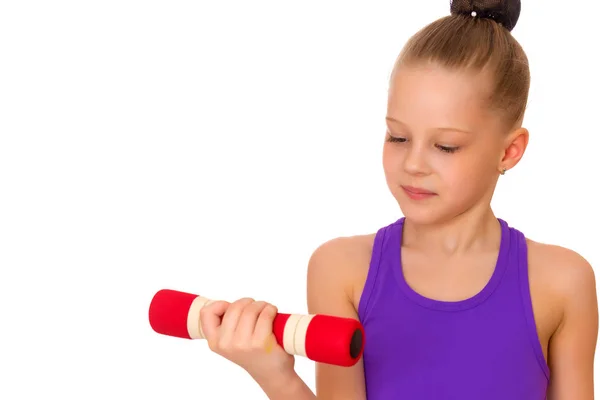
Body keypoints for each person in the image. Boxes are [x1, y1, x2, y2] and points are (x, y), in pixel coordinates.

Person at [199, 0, 598, 398]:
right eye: (398, 137)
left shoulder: (562, 282)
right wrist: (274, 373)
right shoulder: (342, 270)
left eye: (445, 146)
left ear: (509, 151)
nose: (413, 164)